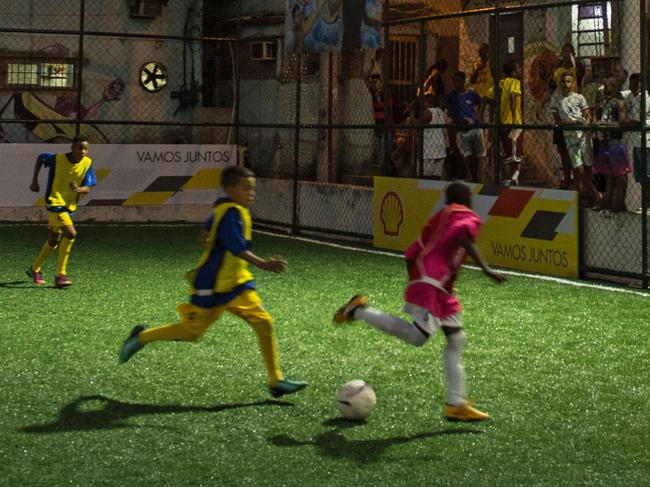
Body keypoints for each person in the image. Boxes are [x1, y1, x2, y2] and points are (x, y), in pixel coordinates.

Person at [118, 165, 308, 398]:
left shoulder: (228, 208)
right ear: (229, 189)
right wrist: (264, 264)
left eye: (253, 188)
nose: (251, 193)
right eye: (245, 188)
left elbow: (209, 226)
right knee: (191, 333)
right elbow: (235, 247)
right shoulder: (231, 213)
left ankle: (276, 380)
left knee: (264, 322)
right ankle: (141, 336)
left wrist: (206, 235)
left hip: (237, 284)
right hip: (211, 285)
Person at [333, 181, 505, 422]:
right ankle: (359, 311)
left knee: (456, 338)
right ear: (463, 197)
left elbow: (411, 252)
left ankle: (457, 404)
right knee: (417, 337)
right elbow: (466, 239)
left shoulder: (437, 221)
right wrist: (486, 270)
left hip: (436, 286)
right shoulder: (462, 214)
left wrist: (416, 280)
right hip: (434, 285)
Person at [27, 135, 97, 288]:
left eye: (86, 149)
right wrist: (34, 180)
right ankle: (61, 275)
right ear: (72, 147)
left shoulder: (87, 163)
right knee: (71, 233)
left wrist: (78, 189)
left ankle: (34, 268)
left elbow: (88, 187)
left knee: (54, 239)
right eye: (80, 148)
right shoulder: (57, 159)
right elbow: (41, 157)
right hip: (55, 202)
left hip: (69, 205)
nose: (83, 151)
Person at [550, 72, 600, 207]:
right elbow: (558, 121)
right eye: (563, 82)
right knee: (578, 169)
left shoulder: (579, 97)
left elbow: (587, 115)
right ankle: (590, 195)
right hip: (569, 137)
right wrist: (573, 122)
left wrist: (584, 122)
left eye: (568, 82)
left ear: (573, 84)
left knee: (588, 167)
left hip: (583, 135)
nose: (566, 85)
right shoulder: (556, 99)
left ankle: (586, 196)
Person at [594, 77, 631, 212]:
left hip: (616, 142)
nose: (605, 88)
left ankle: (620, 202)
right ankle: (607, 201)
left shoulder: (619, 102)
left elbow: (622, 123)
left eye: (607, 85)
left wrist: (605, 125)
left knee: (620, 174)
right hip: (605, 142)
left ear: (615, 87)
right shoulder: (604, 103)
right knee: (607, 174)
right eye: (604, 85)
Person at [447, 71, 485, 182]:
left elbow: (482, 102)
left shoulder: (472, 94)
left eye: (458, 81)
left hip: (475, 127)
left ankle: (476, 176)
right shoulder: (452, 96)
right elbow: (450, 112)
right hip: (462, 129)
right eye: (454, 81)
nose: (455, 84)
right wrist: (458, 121)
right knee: (466, 155)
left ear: (464, 82)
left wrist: (479, 115)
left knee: (478, 155)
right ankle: (469, 176)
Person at [624, 72, 650, 214]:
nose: (633, 87)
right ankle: (645, 203)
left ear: (642, 84)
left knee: (647, 175)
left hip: (645, 141)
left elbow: (636, 120)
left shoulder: (644, 98)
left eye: (636, 84)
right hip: (636, 142)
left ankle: (648, 204)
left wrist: (621, 123)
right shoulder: (631, 96)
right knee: (640, 176)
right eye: (631, 84)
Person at [497, 61, 524, 186]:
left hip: (502, 122)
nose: (520, 70)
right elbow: (513, 96)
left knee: (509, 153)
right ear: (513, 72)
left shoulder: (501, 83)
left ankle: (510, 179)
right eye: (518, 68)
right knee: (516, 155)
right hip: (513, 123)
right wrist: (514, 117)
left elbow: (489, 97)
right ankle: (512, 178)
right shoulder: (515, 82)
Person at [365, 73, 394, 176]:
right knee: (382, 158)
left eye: (376, 82)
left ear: (381, 83)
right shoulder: (373, 94)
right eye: (372, 82)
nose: (374, 84)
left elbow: (388, 106)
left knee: (384, 159)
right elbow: (365, 80)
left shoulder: (385, 93)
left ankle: (390, 177)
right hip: (378, 128)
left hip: (387, 128)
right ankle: (390, 176)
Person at [421, 92, 449, 179]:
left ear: (426, 102)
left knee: (427, 175)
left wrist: (410, 113)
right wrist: (447, 144)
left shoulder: (427, 112)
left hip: (429, 148)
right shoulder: (441, 112)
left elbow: (418, 125)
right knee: (437, 175)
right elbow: (445, 130)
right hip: (440, 146)